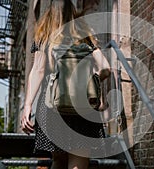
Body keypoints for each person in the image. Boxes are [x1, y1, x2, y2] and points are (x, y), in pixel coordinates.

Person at [21, 0, 110, 169]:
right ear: (73, 12)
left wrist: (27, 106)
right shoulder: (85, 33)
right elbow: (105, 68)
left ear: (49, 11)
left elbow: (38, 71)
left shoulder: (44, 34)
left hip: (52, 105)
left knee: (58, 160)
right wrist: (91, 82)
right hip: (83, 106)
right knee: (78, 163)